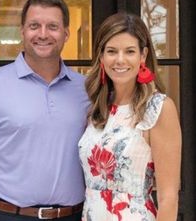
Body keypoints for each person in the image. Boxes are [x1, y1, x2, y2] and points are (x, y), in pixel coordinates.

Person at [0, 0, 89, 221]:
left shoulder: (87, 89)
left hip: (75, 215)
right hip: (11, 216)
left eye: (52, 26)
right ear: (22, 31)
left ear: (66, 33)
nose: (42, 34)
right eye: (34, 26)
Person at [78, 12, 182, 221]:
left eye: (130, 51)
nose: (120, 60)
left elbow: (168, 198)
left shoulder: (158, 108)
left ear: (142, 56)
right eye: (112, 51)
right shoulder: (98, 108)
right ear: (101, 56)